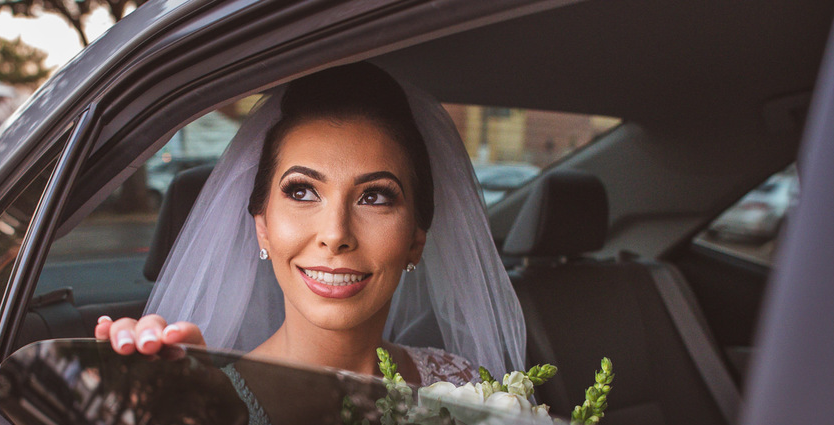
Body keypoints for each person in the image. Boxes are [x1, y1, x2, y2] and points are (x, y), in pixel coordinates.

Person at [96, 62, 525, 385]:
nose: (335, 234)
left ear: (416, 239)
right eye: (302, 192)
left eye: (375, 197)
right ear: (262, 226)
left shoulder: (468, 388)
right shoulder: (204, 399)